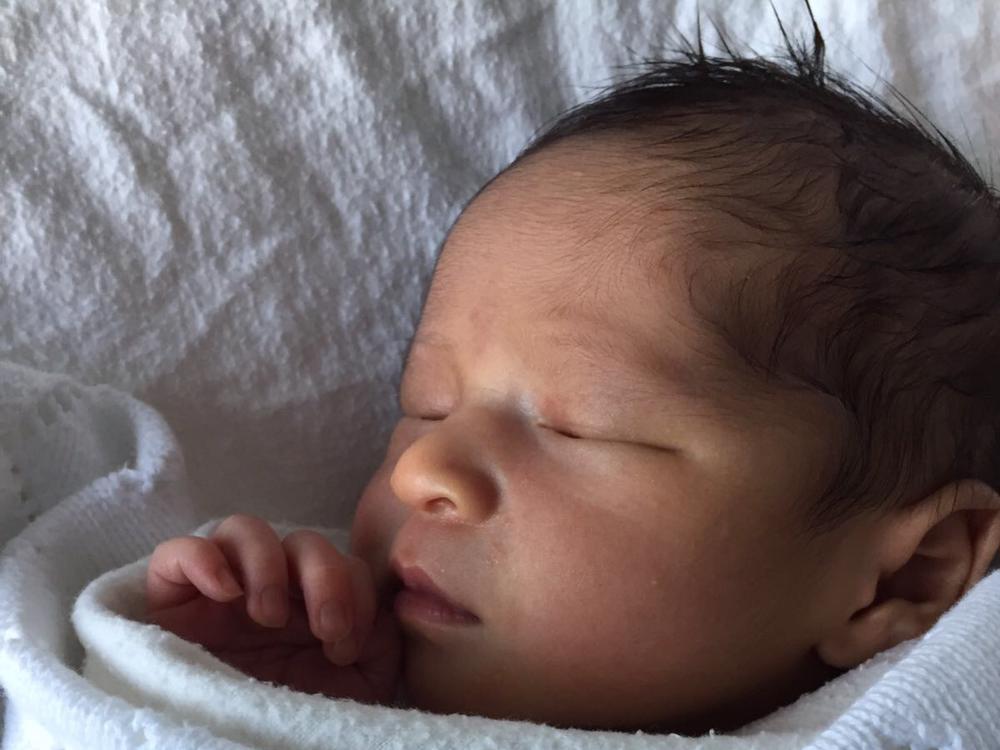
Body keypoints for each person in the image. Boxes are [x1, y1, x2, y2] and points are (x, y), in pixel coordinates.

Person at [142, 18, 1000, 736]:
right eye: (425, 406)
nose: (420, 469)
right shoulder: (328, 658)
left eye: (579, 424)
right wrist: (251, 697)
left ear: (906, 577)